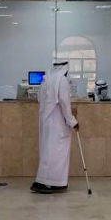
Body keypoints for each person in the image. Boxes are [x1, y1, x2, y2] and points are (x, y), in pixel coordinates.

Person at [31, 61, 78, 194]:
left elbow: (40, 99)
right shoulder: (61, 80)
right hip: (58, 124)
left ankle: (46, 181)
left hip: (46, 122)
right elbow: (64, 103)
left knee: (48, 152)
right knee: (58, 154)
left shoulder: (46, 80)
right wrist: (73, 121)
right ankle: (53, 183)